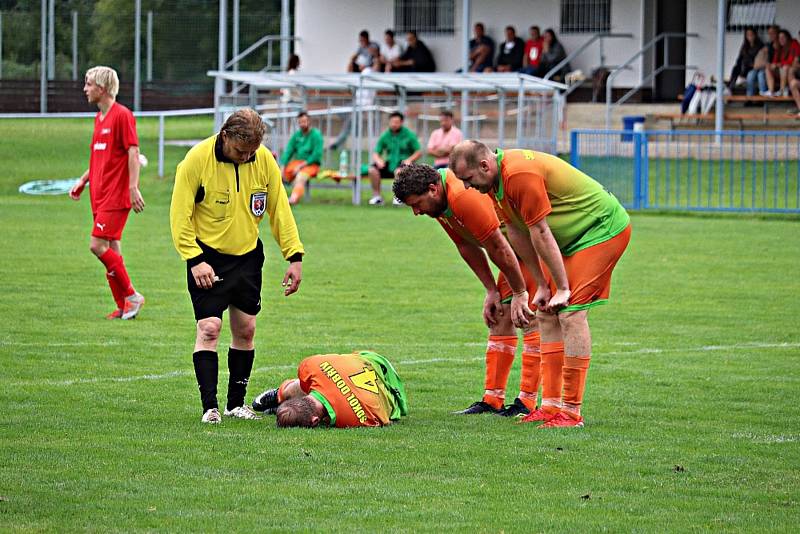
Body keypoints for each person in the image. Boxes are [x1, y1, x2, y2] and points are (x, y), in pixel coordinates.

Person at [449, 140, 631, 428]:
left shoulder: (519, 174)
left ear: (485, 166)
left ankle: (571, 412)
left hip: (600, 229)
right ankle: (550, 407)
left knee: (570, 313)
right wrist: (541, 286)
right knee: (545, 311)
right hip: (568, 240)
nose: (468, 187)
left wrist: (561, 287)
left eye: (469, 180)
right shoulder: (495, 186)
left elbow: (541, 230)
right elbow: (517, 233)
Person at [169, 108, 305, 424]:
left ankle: (235, 404)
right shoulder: (196, 160)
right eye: (241, 151)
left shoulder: (263, 160)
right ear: (225, 135)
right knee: (209, 328)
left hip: (247, 258)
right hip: (207, 259)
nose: (246, 158)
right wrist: (194, 259)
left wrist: (294, 256)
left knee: (246, 330)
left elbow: (279, 209)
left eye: (251, 153)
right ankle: (210, 408)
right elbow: (180, 215)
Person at [393, 164, 544, 417]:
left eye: (417, 204)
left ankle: (527, 402)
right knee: (500, 318)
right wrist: (491, 291)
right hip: (512, 252)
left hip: (532, 248)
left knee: (528, 318)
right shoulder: (440, 203)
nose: (416, 212)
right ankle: (492, 399)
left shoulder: (461, 196)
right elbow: (465, 245)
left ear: (433, 189)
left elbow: (497, 246)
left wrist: (519, 293)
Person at [69, 66, 145, 320]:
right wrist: (82, 181)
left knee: (97, 245)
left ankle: (133, 295)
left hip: (116, 195)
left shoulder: (122, 115)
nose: (85, 89)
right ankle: (124, 306)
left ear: (101, 89)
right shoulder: (99, 119)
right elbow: (97, 158)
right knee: (112, 247)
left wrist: (133, 187)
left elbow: (133, 152)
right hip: (99, 195)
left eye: (89, 84)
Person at [251, 351, 408, 428]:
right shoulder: (311, 366)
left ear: (315, 421)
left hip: (387, 378)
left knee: (306, 385)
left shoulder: (351, 419)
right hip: (368, 359)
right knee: (307, 381)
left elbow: (382, 419)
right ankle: (282, 401)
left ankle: (279, 395)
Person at [367, 111, 421, 206]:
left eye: (396, 122)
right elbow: (376, 152)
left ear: (401, 122)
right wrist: (378, 160)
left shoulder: (409, 134)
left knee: (399, 172)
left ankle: (398, 197)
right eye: (392, 122)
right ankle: (377, 197)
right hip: (390, 163)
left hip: (403, 163)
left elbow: (418, 151)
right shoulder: (385, 135)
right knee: (372, 170)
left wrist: (410, 160)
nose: (394, 124)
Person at [279, 111, 324, 205]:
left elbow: (316, 155)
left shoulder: (316, 135)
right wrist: (282, 167)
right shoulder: (297, 135)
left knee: (300, 176)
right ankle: (273, 199)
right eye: (300, 122)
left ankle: (293, 200)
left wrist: (301, 166)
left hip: (311, 165)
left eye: (304, 121)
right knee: (277, 175)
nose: (302, 124)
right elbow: (288, 151)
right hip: (297, 164)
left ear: (309, 121)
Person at [766, 29, 800, 96]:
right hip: (782, 69)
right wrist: (773, 65)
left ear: (788, 37)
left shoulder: (794, 43)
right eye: (779, 38)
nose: (781, 39)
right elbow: (775, 61)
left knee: (784, 68)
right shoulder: (779, 47)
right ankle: (771, 91)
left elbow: (792, 61)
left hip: (789, 68)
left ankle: (783, 90)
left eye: (783, 37)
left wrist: (779, 64)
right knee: (768, 69)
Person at [730, 27, 763, 93]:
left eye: (751, 34)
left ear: (755, 35)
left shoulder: (760, 46)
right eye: (748, 35)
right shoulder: (745, 46)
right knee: (736, 68)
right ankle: (730, 88)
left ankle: (749, 94)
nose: (750, 37)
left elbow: (759, 60)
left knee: (751, 74)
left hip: (753, 67)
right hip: (744, 66)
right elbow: (740, 58)